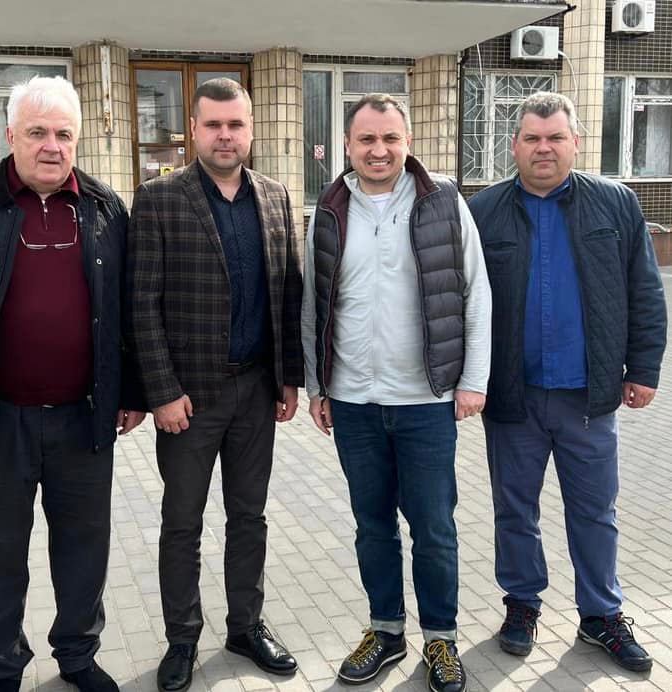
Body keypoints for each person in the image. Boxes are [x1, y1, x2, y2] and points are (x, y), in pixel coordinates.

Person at [0, 76, 146, 692]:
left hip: (82, 419)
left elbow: (127, 311)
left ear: (78, 139)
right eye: (37, 132)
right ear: (10, 134)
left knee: (84, 550)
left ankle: (78, 656)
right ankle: (2, 667)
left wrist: (132, 392)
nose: (51, 146)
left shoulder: (104, 208)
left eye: (64, 134)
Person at [468, 91, 666, 672]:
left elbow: (645, 291)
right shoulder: (482, 211)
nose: (544, 148)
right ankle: (522, 604)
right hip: (514, 396)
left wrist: (644, 368)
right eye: (532, 138)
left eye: (555, 137)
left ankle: (601, 614)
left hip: (588, 396)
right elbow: (461, 301)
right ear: (514, 146)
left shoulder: (616, 203)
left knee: (595, 512)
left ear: (576, 142)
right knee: (514, 510)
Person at [301, 93, 491, 692]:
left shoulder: (444, 201)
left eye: (390, 138)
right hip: (354, 402)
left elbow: (475, 293)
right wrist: (318, 385)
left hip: (426, 401)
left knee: (433, 527)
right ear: (347, 145)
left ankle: (441, 639)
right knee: (372, 525)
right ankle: (385, 632)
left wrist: (473, 380)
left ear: (407, 142)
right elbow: (313, 304)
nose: (378, 150)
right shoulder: (329, 209)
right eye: (366, 139)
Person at [124, 77, 303, 692]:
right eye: (213, 125)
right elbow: (141, 304)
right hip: (189, 399)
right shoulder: (158, 199)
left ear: (250, 129)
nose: (225, 136)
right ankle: (182, 638)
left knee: (249, 517)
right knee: (182, 523)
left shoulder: (275, 197)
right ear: (194, 130)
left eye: (236, 125)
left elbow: (287, 292)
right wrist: (161, 391)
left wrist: (288, 378)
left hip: (255, 390)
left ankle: (246, 627)